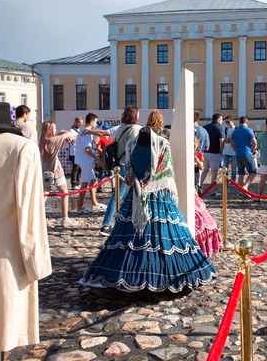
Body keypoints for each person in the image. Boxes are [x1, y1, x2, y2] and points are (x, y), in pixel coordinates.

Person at [79, 111, 217, 292]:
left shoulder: (157, 143)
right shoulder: (133, 143)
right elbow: (164, 171)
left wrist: (141, 184)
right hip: (146, 194)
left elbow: (160, 171)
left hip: (146, 194)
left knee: (158, 236)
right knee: (135, 236)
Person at [0, 102, 51, 361]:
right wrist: (37, 263)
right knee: (1, 325)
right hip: (8, 252)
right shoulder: (22, 148)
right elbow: (30, 212)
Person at [83, 106, 141, 235]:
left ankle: (125, 222)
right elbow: (133, 149)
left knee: (124, 195)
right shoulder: (133, 130)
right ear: (134, 115)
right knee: (119, 195)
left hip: (119, 165)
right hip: (126, 166)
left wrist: (88, 132)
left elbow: (104, 133)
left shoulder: (120, 128)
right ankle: (106, 225)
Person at [38, 121, 78, 228]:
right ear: (50, 129)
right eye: (54, 128)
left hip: (46, 171)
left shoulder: (42, 142)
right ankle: (65, 218)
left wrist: (60, 134)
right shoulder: (53, 140)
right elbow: (68, 133)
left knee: (45, 194)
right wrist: (62, 132)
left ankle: (34, 214)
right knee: (64, 194)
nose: (55, 130)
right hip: (56, 171)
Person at [193, 136, 222, 257]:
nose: (193, 148)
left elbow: (203, 168)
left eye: (195, 146)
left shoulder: (199, 154)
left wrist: (197, 160)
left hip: (195, 178)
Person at [74, 113, 106, 213]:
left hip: (83, 160)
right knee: (85, 183)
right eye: (95, 122)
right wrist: (97, 159)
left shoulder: (82, 131)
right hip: (85, 161)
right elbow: (87, 149)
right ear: (91, 122)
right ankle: (80, 206)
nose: (96, 124)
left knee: (93, 180)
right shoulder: (87, 133)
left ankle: (94, 203)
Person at [201, 113, 225, 197]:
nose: (222, 121)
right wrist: (221, 151)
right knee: (214, 173)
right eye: (221, 120)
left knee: (204, 171)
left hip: (205, 152)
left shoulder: (205, 127)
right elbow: (221, 141)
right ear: (218, 120)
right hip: (215, 153)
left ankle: (198, 187)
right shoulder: (219, 128)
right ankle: (213, 192)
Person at [231, 116, 258, 190]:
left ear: (239, 122)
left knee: (241, 174)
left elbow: (232, 144)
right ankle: (245, 186)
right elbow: (254, 143)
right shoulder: (249, 130)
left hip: (238, 154)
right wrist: (253, 150)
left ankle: (240, 191)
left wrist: (236, 150)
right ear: (247, 122)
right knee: (253, 172)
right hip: (246, 153)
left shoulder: (235, 132)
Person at [194, 111, 210, 192]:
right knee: (197, 179)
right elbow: (207, 148)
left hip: (187, 156)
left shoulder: (185, 129)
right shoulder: (204, 131)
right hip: (199, 156)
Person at [68, 117, 83, 190]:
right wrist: (80, 140)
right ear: (76, 122)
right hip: (74, 153)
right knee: (75, 169)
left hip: (80, 152)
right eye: (80, 124)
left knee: (80, 169)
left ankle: (78, 183)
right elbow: (73, 142)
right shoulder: (71, 131)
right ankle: (73, 184)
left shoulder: (79, 131)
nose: (80, 126)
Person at [222, 115, 237, 182]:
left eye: (228, 122)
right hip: (226, 151)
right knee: (225, 168)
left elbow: (235, 141)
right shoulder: (225, 129)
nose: (227, 123)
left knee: (233, 168)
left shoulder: (236, 129)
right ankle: (226, 181)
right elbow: (224, 140)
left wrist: (229, 140)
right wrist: (230, 140)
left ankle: (233, 181)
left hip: (233, 151)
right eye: (226, 122)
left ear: (232, 121)